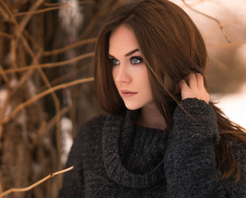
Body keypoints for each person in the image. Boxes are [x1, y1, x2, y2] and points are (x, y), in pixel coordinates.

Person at [58, 0, 246, 197]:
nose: (120, 77)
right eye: (114, 61)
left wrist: (193, 126)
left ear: (174, 60)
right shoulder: (92, 138)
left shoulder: (230, 151)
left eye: (135, 60)